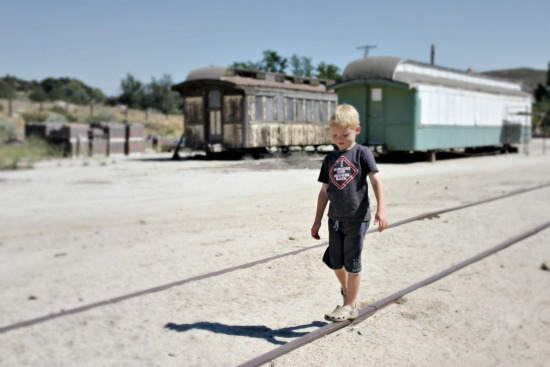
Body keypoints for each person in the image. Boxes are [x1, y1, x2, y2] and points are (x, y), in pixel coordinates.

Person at [311, 103, 387, 322]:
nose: (339, 138)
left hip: (357, 218)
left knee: (352, 261)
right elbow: (324, 192)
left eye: (344, 134)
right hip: (335, 219)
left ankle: (349, 306)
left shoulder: (362, 153)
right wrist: (317, 221)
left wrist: (381, 209)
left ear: (357, 130)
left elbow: (375, 178)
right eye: (334, 134)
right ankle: (347, 290)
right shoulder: (329, 159)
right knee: (336, 262)